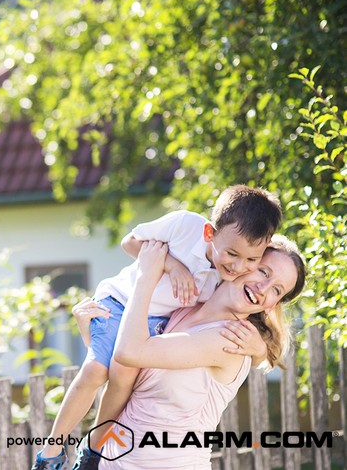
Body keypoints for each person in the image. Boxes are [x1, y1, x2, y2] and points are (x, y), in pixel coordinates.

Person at [33, 185, 282, 469]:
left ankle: (94, 447)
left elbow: (248, 321)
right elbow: (130, 243)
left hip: (153, 323)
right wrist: (173, 266)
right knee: (95, 370)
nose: (239, 266)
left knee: (123, 373)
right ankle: (51, 452)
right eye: (232, 254)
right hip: (120, 302)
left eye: (251, 260)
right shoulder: (186, 226)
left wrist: (260, 349)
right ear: (209, 233)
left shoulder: (225, 282)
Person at [94, 236, 305, 468]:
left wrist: (147, 274)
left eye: (276, 289)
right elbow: (121, 371)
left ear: (273, 304)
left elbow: (129, 351)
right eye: (263, 272)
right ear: (245, 261)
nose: (263, 289)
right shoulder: (183, 306)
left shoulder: (229, 340)